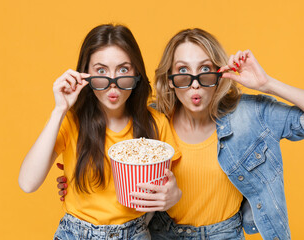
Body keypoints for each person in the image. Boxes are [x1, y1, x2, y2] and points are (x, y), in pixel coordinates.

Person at [57, 28, 304, 240]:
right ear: (169, 80)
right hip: (161, 234)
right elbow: (112, 159)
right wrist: (73, 179)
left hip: (225, 234)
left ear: (220, 74)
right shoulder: (151, 122)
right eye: (182, 72)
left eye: (205, 71)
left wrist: (267, 84)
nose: (194, 85)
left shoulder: (251, 115)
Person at [18, 24, 182, 240]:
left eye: (123, 70)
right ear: (85, 74)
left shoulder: (156, 124)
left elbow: (167, 188)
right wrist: (59, 110)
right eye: (101, 70)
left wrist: (173, 196)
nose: (112, 84)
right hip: (75, 233)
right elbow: (28, 183)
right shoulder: (71, 122)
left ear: (137, 73)